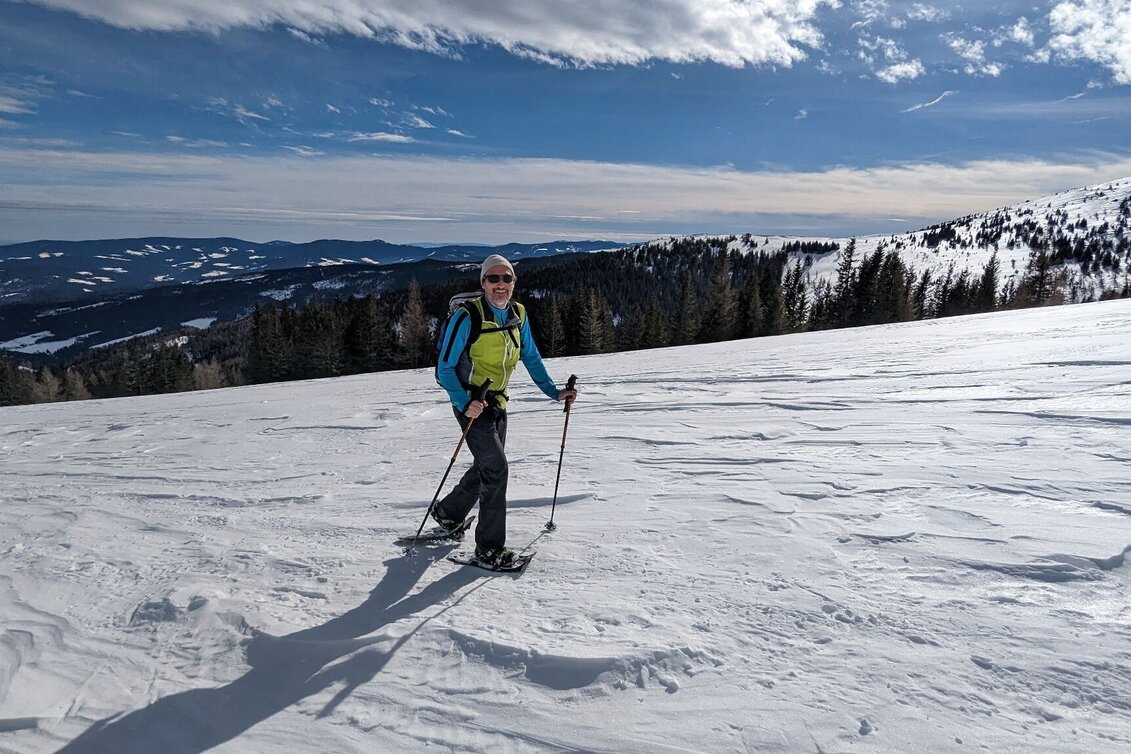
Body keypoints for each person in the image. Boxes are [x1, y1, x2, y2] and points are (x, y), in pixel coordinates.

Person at [433, 254, 578, 565]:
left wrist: (554, 392)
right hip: (471, 404)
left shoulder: (518, 314)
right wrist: (464, 403)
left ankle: (448, 513)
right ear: (483, 282)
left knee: (487, 466)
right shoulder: (467, 317)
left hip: (498, 402)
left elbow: (531, 357)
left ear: (514, 282)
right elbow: (444, 369)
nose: (501, 284)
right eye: (493, 278)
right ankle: (488, 549)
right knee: (496, 469)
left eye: (506, 278)